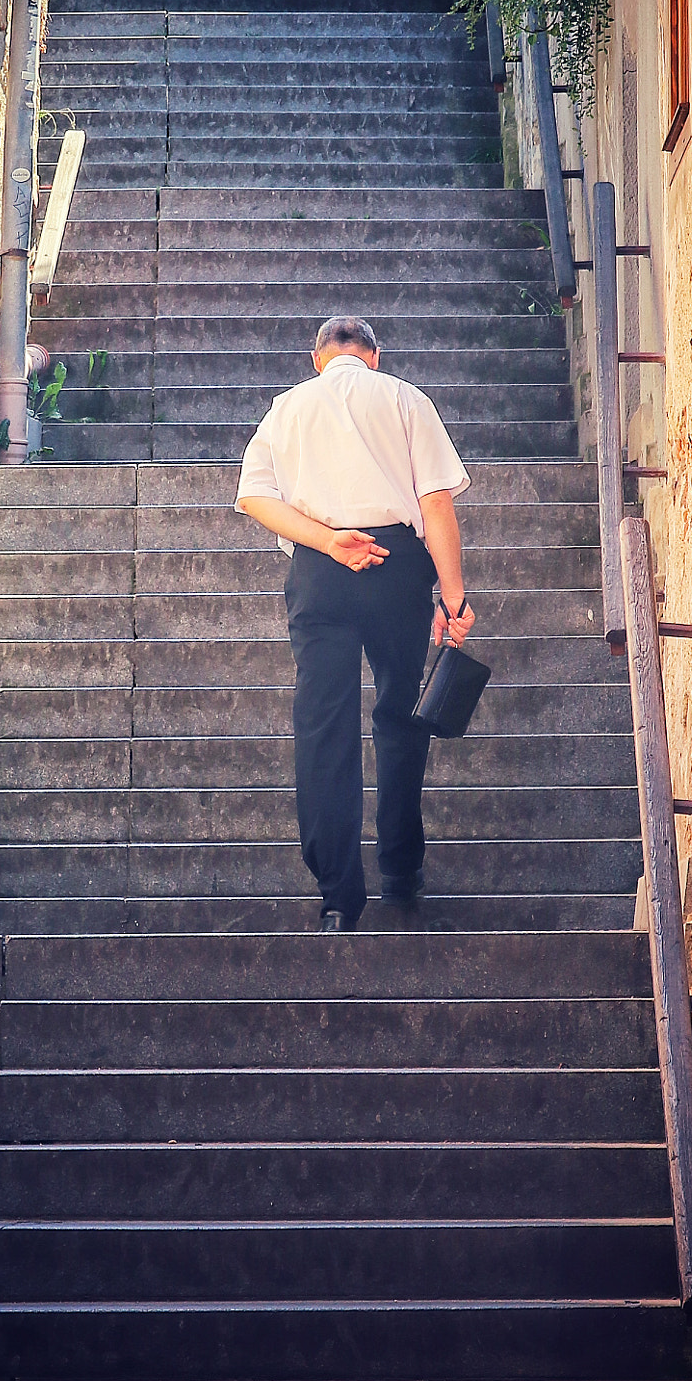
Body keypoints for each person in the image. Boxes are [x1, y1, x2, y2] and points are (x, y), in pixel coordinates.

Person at [235, 315, 476, 930]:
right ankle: (400, 872)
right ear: (373, 355)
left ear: (318, 359)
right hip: (397, 569)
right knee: (400, 716)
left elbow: (254, 497)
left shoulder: (288, 406)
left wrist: (328, 542)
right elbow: (436, 501)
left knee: (323, 727)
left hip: (321, 572)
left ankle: (339, 896)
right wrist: (452, 597)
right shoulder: (402, 395)